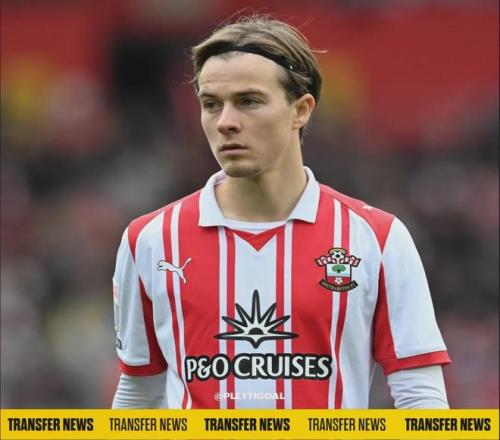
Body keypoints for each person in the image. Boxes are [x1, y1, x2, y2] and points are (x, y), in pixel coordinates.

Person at [111, 15, 451, 409]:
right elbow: (139, 393)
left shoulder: (376, 238)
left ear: (300, 110)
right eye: (211, 104)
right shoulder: (149, 240)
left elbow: (420, 397)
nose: (226, 122)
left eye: (249, 101)